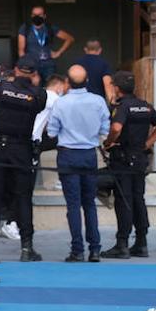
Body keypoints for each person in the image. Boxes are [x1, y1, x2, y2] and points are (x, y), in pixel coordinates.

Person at [0, 56, 47, 262]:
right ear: (33, 74)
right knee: (23, 198)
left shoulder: (0, 89)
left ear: (15, 70)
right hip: (22, 150)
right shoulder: (39, 94)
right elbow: (36, 107)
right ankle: (26, 248)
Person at [47, 64, 110, 262]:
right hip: (89, 154)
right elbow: (104, 128)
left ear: (67, 82)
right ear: (88, 81)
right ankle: (95, 248)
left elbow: (51, 132)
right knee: (89, 203)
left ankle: (77, 249)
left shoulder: (61, 103)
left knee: (73, 205)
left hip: (67, 154)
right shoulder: (98, 101)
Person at [103, 70, 156, 259]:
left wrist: (108, 142)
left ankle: (122, 244)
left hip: (122, 158)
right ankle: (141, 242)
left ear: (117, 88)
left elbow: (116, 128)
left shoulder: (122, 107)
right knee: (138, 199)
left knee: (124, 200)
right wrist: (147, 144)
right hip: (139, 158)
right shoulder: (145, 106)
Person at [17, 4, 73, 82]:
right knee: (34, 90)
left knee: (50, 89)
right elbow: (21, 50)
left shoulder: (50, 27)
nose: (36, 17)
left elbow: (69, 38)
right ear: (31, 15)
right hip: (32, 65)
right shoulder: (26, 28)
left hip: (48, 65)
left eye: (39, 15)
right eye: (34, 14)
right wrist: (24, 66)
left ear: (44, 16)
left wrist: (59, 52)